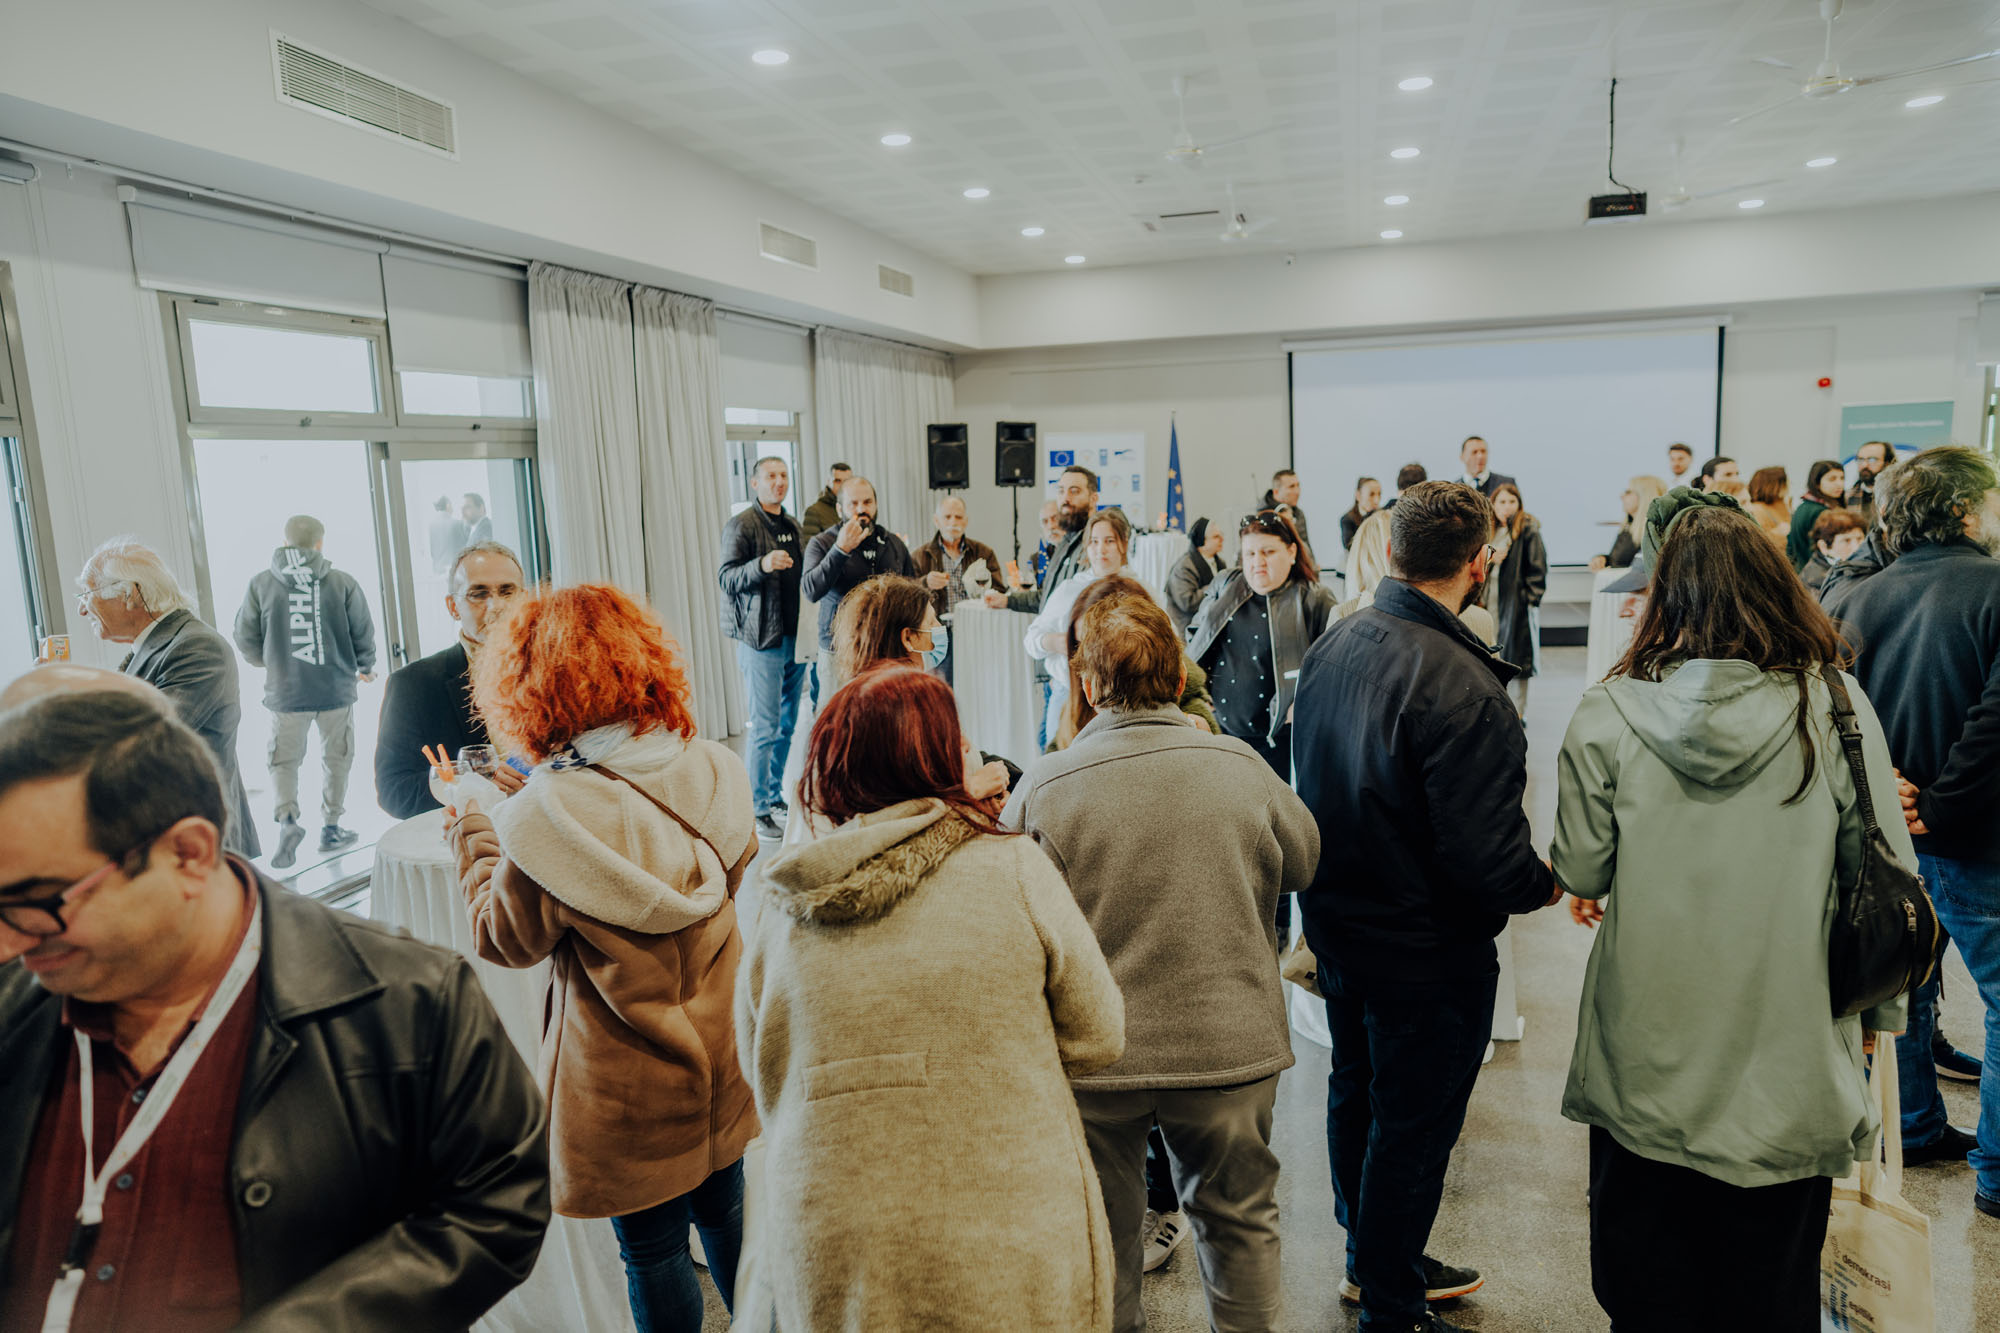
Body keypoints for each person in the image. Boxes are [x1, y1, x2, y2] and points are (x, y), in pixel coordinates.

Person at [0, 689, 549, 1330]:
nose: (8, 943)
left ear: (187, 854)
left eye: (36, 902)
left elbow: (496, 1201)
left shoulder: (407, 999)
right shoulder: (18, 1001)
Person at [1551, 500, 1914, 1330]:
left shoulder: (1611, 710)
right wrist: (1877, 1020)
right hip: (1789, 1060)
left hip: (1644, 1059)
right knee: (1770, 1299)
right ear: (1775, 587)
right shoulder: (1837, 705)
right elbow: (1888, 880)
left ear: (1664, 598)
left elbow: (1581, 867)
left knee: (1646, 1297)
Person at [740, 666, 1125, 1330]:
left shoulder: (784, 903)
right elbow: (1099, 1034)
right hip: (1005, 1221)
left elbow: (765, 1070)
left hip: (834, 1235)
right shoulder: (1013, 867)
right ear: (938, 757)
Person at [1004, 594, 1319, 1333]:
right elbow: (1305, 860)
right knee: (1239, 1222)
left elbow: (1014, 912)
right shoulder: (1239, 765)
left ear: (1088, 686)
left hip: (1097, 1054)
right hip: (1228, 1044)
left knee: (1102, 1236)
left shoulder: (1046, 785)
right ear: (1179, 680)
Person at [448, 584, 758, 1331]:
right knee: (729, 1217)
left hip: (625, 1084)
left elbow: (504, 938)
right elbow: (730, 874)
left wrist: (473, 833)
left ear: (531, 688)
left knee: (651, 1253)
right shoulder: (715, 767)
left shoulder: (543, 817)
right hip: (723, 1051)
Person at [1292, 481, 1558, 1333]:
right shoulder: (1467, 686)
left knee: (1356, 1092)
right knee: (1411, 1128)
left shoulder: (1336, 643)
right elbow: (1485, 859)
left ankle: (1372, 1259)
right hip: (1425, 949)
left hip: (1340, 923)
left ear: (1393, 550)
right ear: (1480, 564)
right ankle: (1393, 1306)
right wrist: (1545, 882)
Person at [1831, 446, 2000, 1208]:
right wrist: (1936, 804)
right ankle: (1998, 1173)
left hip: (1885, 841)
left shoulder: (1856, 596)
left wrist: (1894, 794)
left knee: (1906, 989)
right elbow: (1994, 724)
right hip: (1976, 840)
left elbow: (1838, 712)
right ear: (1963, 508)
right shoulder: (1995, 586)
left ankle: (1915, 1126)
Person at [75, 538, 259, 859]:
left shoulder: (196, 647)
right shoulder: (154, 647)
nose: (82, 609)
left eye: (88, 594)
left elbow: (149, 740)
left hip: (196, 844)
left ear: (130, 594)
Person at [232, 515, 377, 868]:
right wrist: (366, 665)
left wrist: (269, 661)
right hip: (335, 690)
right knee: (337, 758)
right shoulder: (341, 582)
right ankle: (331, 828)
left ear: (285, 542)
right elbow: (362, 629)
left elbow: (244, 635)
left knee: (283, 760)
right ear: (319, 544)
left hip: (286, 692)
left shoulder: (262, 583)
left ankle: (287, 821)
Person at [376, 543, 528, 819]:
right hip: (474, 834)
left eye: (507, 591)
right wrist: (471, 784)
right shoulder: (413, 684)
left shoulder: (563, 669)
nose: (496, 606)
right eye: (478, 594)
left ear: (525, 598)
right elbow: (393, 792)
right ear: (453, 606)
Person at [718, 457, 807, 842]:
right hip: (761, 640)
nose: (779, 482)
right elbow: (726, 578)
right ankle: (756, 809)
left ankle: (773, 796)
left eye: (784, 475)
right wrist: (763, 564)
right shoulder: (742, 525)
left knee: (788, 724)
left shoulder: (793, 525)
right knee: (766, 726)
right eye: (771, 476)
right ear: (755, 483)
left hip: (795, 638)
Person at [1024, 508, 1156, 745]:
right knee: (1061, 756)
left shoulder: (1141, 590)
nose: (1101, 549)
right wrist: (1058, 641)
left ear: (1123, 544)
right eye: (1094, 541)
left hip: (1129, 700)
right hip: (1070, 693)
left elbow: (1166, 641)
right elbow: (1032, 640)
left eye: (1109, 541)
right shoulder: (1068, 590)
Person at [1053, 574, 1219, 749]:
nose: (1089, 658)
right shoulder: (1074, 704)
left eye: (1105, 645)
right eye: (1081, 644)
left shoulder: (1193, 718)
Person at [801, 475, 916, 688]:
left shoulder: (893, 543)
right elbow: (810, 590)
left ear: (876, 505)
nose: (861, 509)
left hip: (886, 649)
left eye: (867, 502)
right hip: (839, 650)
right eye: (853, 503)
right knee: (837, 709)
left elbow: (911, 589)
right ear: (839, 509)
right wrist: (840, 550)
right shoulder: (822, 543)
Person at [909, 495, 1000, 684]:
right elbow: (907, 594)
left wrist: (983, 588)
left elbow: (999, 589)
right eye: (947, 517)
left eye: (958, 517)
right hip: (939, 634)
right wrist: (925, 582)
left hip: (976, 630)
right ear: (936, 521)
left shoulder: (984, 553)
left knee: (979, 682)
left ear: (966, 521)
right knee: (943, 686)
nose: (953, 522)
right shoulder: (920, 555)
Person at [1485, 484, 1547, 714]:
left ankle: (1517, 711)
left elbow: (1538, 568)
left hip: (1515, 603)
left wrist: (1528, 599)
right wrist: (1490, 559)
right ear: (1493, 504)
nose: (1507, 507)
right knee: (1491, 651)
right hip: (1490, 600)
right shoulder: (1488, 530)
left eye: (1512, 502)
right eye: (1502, 502)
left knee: (1516, 657)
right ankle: (1496, 706)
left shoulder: (1527, 529)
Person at [1006, 466, 1099, 613]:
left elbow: (1092, 606)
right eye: (1061, 491)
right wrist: (1007, 600)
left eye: (1074, 491)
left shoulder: (1097, 543)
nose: (1065, 498)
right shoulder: (1064, 544)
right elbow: (1047, 597)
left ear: (1093, 499)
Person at [1589, 476, 1667, 571]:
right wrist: (1604, 559)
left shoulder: (1655, 534)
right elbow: (1620, 562)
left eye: (1628, 492)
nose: (1621, 496)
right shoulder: (1629, 527)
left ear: (1644, 496)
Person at [1163, 516, 1225, 634]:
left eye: (1221, 535)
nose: (1222, 539)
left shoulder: (1220, 563)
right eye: (1216, 537)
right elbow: (1187, 603)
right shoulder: (1184, 568)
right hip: (1186, 628)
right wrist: (1215, 587)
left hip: (1210, 624)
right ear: (1202, 542)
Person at [1786, 458, 1848, 571]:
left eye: (1842, 478)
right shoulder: (1822, 512)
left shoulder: (1804, 505)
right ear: (1817, 483)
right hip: (1817, 573)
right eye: (1832, 479)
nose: (1839, 484)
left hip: (1800, 570)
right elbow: (1819, 552)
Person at [1802, 507, 1867, 591]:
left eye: (1859, 538)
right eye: (1846, 540)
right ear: (1824, 547)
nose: (1857, 547)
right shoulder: (1816, 583)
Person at [1258, 468, 1313, 554]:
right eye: (1291, 487)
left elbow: (1306, 548)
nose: (1297, 491)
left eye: (1298, 485)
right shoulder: (1262, 517)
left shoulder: (1298, 513)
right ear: (1276, 492)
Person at [800, 461, 851, 543]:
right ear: (828, 482)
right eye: (837, 481)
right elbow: (810, 548)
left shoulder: (856, 509)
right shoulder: (814, 512)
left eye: (846, 481)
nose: (842, 485)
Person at [1848, 440, 1892, 528]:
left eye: (1872, 459)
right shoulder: (1848, 496)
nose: (1865, 465)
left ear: (1887, 463)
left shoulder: (1897, 494)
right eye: (1860, 459)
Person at [1746, 467, 1792, 548]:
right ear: (1774, 485)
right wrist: (1778, 533)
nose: (1789, 484)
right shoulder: (1757, 509)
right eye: (1785, 482)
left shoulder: (1783, 504)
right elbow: (1760, 541)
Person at [427, 495, 467, 574]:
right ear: (448, 505)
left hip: (438, 570)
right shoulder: (457, 523)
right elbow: (464, 548)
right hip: (454, 570)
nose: (452, 508)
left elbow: (432, 552)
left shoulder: (431, 525)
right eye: (451, 505)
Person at [1340, 477, 1382, 551]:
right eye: (1371, 494)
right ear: (1358, 496)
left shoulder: (1382, 516)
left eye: (1379, 494)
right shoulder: (1347, 520)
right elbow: (1350, 547)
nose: (1377, 500)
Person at [1031, 499, 1062, 583]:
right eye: (1045, 522)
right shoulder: (1037, 559)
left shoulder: (1081, 551)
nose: (1051, 526)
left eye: (1055, 518)